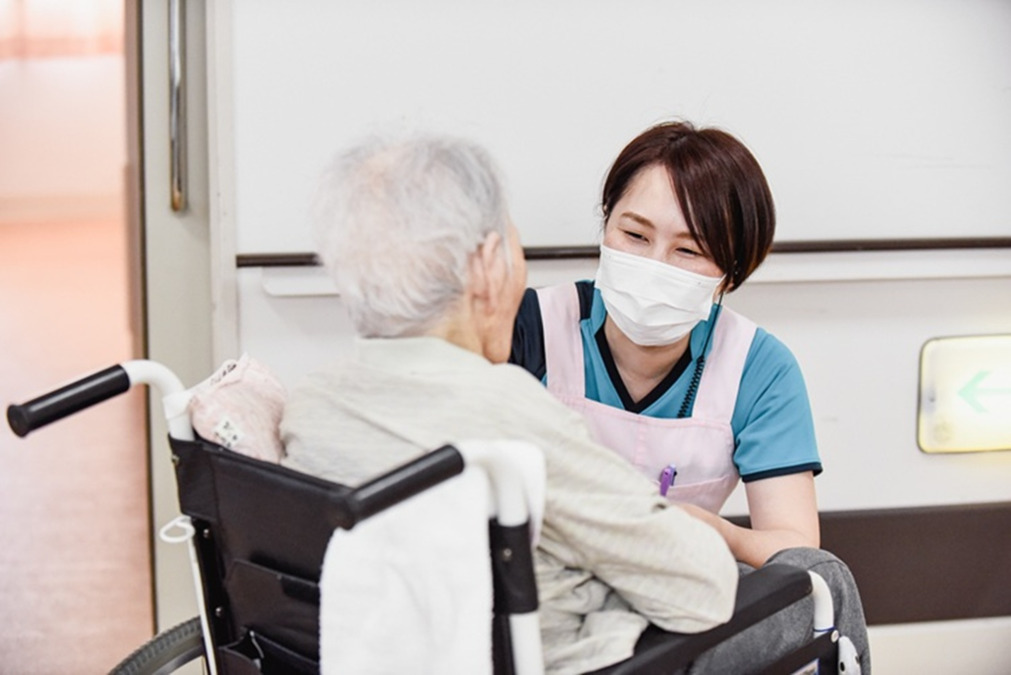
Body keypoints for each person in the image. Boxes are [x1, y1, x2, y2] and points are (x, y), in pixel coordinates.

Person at [279, 133, 745, 674]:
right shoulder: (506, 414)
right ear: (485, 268)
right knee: (814, 579)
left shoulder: (310, 406)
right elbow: (703, 587)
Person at [510, 120, 870, 672]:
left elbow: (796, 547)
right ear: (605, 227)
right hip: (545, 603)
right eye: (634, 236)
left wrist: (712, 532)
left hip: (671, 606)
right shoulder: (528, 327)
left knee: (824, 581)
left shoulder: (758, 367)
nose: (654, 265)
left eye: (688, 250)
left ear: (729, 273)